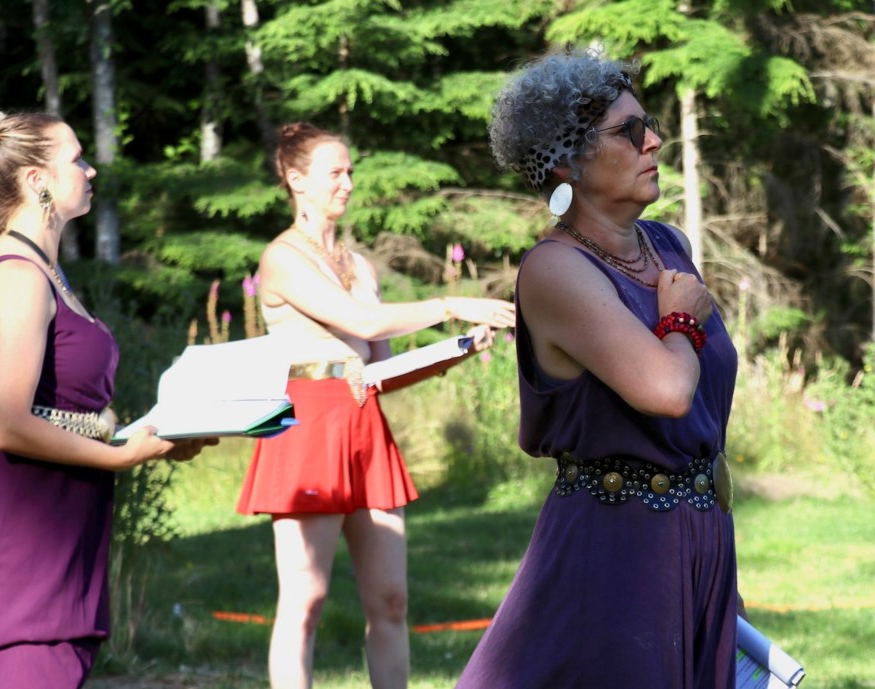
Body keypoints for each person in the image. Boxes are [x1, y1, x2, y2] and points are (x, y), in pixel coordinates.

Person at [455, 52, 740, 688]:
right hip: (616, 554)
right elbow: (667, 390)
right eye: (630, 131)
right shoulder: (555, 271)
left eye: (651, 124)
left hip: (700, 539)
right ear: (566, 161)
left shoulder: (668, 245)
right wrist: (682, 322)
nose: (655, 141)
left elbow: (700, 408)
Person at [235, 122, 516, 689]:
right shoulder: (283, 258)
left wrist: (451, 354)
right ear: (296, 180)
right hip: (306, 426)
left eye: (350, 171)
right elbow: (360, 322)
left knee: (390, 600)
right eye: (335, 172)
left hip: (364, 424)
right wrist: (452, 305)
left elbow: (380, 368)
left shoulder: (358, 265)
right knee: (307, 599)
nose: (348, 182)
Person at [0, 102, 215, 689]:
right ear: (37, 180)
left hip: (64, 531)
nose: (90, 172)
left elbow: (63, 411)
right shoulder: (17, 275)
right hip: (27, 545)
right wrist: (123, 455)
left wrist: (153, 436)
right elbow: (6, 422)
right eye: (77, 160)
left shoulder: (46, 269)